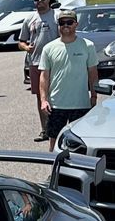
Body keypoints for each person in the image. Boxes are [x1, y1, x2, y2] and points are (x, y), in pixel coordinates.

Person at [37, 10, 100, 138]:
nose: (65, 25)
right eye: (62, 22)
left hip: (81, 104)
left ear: (76, 24)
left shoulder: (88, 46)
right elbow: (44, 76)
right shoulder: (48, 48)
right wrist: (43, 100)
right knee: (54, 140)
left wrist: (94, 96)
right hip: (56, 104)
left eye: (69, 22)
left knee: (80, 141)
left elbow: (92, 73)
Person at [18, 0, 60, 139]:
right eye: (37, 0)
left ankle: (58, 127)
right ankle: (45, 129)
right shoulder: (30, 19)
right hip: (36, 62)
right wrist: (26, 47)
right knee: (41, 97)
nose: (40, 2)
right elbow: (21, 41)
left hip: (56, 62)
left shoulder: (57, 16)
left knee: (57, 95)